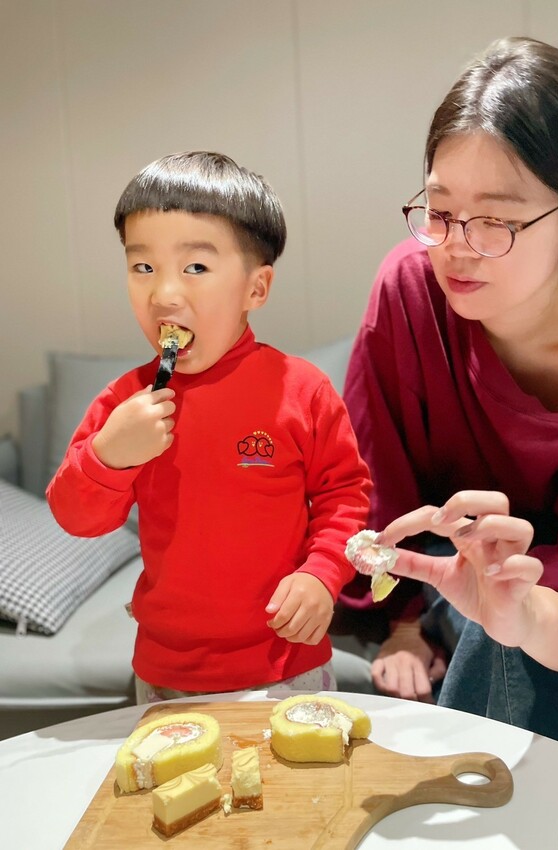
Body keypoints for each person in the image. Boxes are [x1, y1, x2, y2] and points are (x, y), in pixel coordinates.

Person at [341, 36, 558, 770]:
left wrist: (522, 612)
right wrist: (401, 620)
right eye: (438, 211)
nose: (455, 249)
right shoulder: (409, 292)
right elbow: (374, 481)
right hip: (457, 566)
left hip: (554, 604)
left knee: (503, 632)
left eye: (495, 221)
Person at [47, 151, 371, 703]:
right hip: (165, 673)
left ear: (256, 289)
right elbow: (77, 519)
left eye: (195, 267)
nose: (163, 294)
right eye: (142, 266)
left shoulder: (302, 390)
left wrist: (322, 575)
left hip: (285, 663)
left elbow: (346, 497)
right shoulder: (128, 401)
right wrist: (108, 456)